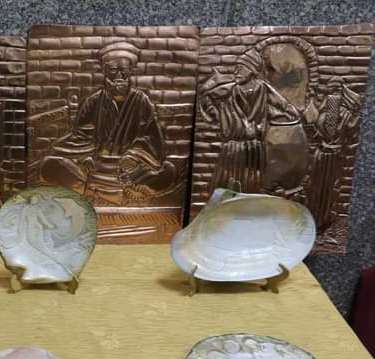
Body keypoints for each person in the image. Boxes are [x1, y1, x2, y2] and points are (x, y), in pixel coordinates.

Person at [40, 41, 174, 204]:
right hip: (95, 166)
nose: (119, 76)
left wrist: (133, 156)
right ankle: (97, 189)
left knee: (168, 171)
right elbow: (80, 135)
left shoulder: (141, 101)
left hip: (129, 168)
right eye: (113, 71)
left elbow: (152, 139)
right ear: (105, 72)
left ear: (130, 71)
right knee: (50, 165)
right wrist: (85, 157)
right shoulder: (93, 101)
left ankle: (93, 189)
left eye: (124, 71)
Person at [199, 49, 300, 192]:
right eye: (236, 68)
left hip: (255, 146)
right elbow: (206, 97)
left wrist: (292, 113)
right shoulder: (230, 89)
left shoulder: (263, 89)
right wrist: (216, 115)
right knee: (229, 179)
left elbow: (282, 104)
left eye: (241, 68)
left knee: (253, 181)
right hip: (233, 146)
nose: (236, 72)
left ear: (252, 70)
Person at [308, 77, 361, 233]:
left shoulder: (346, 114)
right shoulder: (322, 112)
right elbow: (316, 131)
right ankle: (313, 220)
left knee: (330, 189)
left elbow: (351, 131)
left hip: (334, 157)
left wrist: (356, 113)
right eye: (330, 91)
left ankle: (325, 222)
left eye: (335, 91)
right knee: (316, 188)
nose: (332, 95)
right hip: (321, 156)